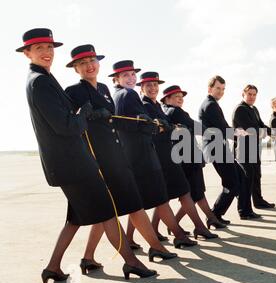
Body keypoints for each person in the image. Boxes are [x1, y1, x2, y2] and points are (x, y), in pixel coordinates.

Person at [18, 29, 156, 283]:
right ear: (27, 53)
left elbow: (67, 120)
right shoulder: (39, 81)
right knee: (106, 211)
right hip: (72, 164)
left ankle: (52, 267)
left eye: (49, 47)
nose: (46, 53)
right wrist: (85, 112)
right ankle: (132, 261)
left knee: (76, 219)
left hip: (68, 163)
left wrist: (84, 114)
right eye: (39, 49)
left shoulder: (43, 78)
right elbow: (67, 126)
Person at [65, 45, 177, 267]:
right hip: (98, 159)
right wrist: (91, 116)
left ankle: (88, 258)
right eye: (83, 63)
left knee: (108, 211)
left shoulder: (105, 89)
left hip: (115, 154)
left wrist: (149, 124)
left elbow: (114, 120)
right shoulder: (73, 91)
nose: (89, 66)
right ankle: (155, 248)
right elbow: (71, 124)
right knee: (131, 205)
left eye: (92, 61)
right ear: (76, 68)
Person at [111, 61, 197, 249]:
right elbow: (142, 125)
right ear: (116, 79)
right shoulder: (128, 94)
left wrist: (160, 125)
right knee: (159, 199)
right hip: (143, 155)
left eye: (132, 74)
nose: (130, 78)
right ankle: (176, 236)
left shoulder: (119, 96)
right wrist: (157, 125)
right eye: (125, 75)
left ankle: (131, 240)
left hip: (134, 155)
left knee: (139, 203)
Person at [137, 76, 218, 240]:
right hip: (167, 157)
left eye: (155, 84)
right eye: (148, 85)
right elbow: (187, 127)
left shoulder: (158, 106)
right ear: (141, 88)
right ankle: (196, 228)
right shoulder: (150, 106)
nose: (153, 88)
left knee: (165, 197)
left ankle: (183, 228)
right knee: (184, 193)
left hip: (171, 156)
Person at [161, 85, 227, 230]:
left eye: (181, 97)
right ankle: (209, 220)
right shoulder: (176, 112)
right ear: (167, 99)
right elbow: (194, 125)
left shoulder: (167, 112)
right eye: (176, 96)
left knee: (192, 194)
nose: (180, 99)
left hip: (183, 157)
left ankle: (207, 219)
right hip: (189, 158)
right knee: (195, 193)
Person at [199, 76, 240, 225]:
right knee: (232, 183)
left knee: (235, 179)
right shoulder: (210, 105)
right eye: (218, 88)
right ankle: (214, 215)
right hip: (216, 149)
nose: (221, 92)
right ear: (210, 89)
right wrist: (241, 135)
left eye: (223, 89)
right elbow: (224, 128)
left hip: (218, 148)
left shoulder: (212, 104)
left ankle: (216, 214)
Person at [232, 84, 266, 220]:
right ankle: (244, 211)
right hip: (243, 150)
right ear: (243, 94)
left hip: (254, 149)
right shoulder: (240, 109)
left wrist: (274, 132)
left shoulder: (254, 109)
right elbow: (250, 130)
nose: (252, 97)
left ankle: (258, 202)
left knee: (256, 176)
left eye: (254, 94)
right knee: (246, 180)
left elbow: (261, 125)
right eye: (249, 94)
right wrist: (264, 133)